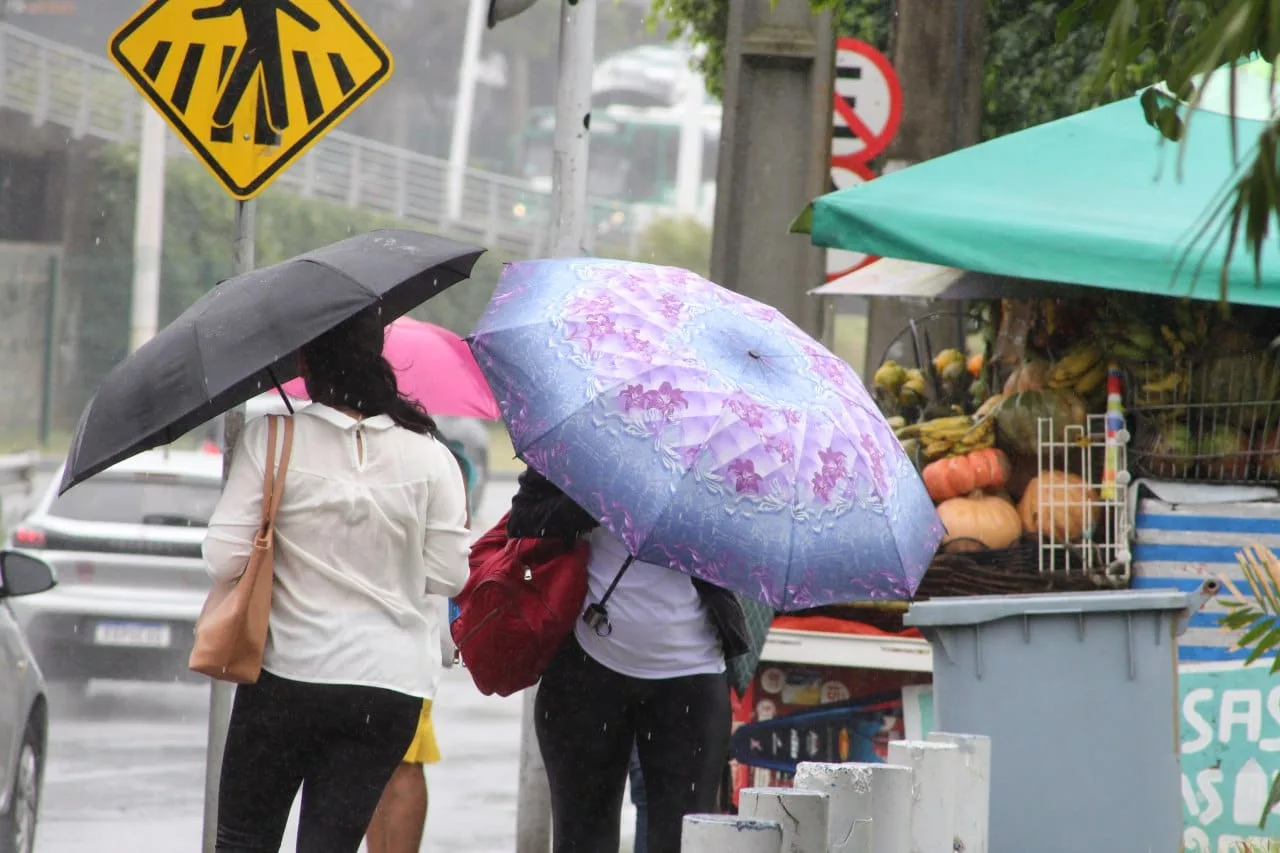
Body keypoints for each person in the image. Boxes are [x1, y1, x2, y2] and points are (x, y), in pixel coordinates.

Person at [204, 308, 470, 853]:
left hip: (286, 676)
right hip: (386, 687)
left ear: (305, 361)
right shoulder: (432, 455)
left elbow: (223, 559)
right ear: (379, 357)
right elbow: (448, 573)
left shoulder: (272, 440)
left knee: (243, 839)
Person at [510, 468, 750, 853]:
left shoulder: (726, 449)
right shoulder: (595, 433)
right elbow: (525, 519)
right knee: (581, 841)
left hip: (693, 676)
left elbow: (750, 548)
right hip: (586, 670)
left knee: (679, 842)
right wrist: (607, 495)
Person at [365, 440, 475, 853]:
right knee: (375, 763)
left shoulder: (434, 458)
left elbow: (451, 564)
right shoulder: (427, 455)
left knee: (403, 760)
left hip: (406, 634)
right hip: (382, 635)